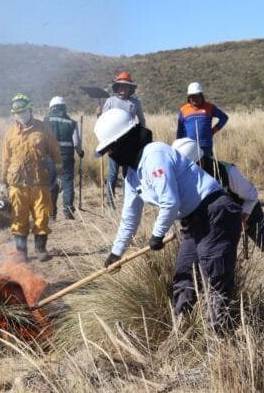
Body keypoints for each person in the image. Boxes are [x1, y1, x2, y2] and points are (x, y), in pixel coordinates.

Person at [95, 109, 242, 331]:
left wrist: (157, 235)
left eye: (112, 147)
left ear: (126, 140)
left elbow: (169, 202)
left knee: (215, 277)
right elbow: (129, 217)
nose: (112, 154)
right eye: (108, 150)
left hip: (215, 213)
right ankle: (181, 334)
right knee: (183, 276)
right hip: (191, 221)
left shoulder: (155, 155)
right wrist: (117, 252)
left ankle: (220, 342)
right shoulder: (133, 174)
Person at [171, 138, 264, 296]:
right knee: (210, 260)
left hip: (249, 214)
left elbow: (251, 194)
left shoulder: (226, 171)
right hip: (216, 220)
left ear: (200, 160)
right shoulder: (185, 177)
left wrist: (243, 216)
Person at [1, 94, 62, 262]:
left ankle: (41, 249)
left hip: (40, 182)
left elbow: (55, 153)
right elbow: (5, 160)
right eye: (17, 112)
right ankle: (21, 253)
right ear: (13, 114)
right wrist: (2, 183)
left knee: (41, 217)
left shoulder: (43, 128)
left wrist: (59, 175)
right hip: (17, 184)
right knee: (19, 218)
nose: (20, 115)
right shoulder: (9, 134)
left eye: (23, 111)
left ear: (30, 110)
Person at [97, 72, 146, 208]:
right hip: (113, 144)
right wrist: (98, 115)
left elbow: (141, 120)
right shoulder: (110, 101)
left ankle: (127, 201)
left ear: (130, 88)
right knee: (112, 173)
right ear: (117, 87)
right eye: (121, 86)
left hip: (129, 144)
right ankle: (109, 202)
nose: (123, 89)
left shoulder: (135, 102)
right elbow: (103, 121)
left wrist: (141, 137)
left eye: (126, 87)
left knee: (127, 174)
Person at [44, 96, 84, 220]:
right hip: (67, 157)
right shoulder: (72, 122)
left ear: (51, 107)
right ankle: (68, 211)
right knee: (67, 183)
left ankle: (51, 213)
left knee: (51, 183)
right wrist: (80, 152)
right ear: (64, 108)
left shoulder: (46, 121)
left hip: (50, 157)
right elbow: (76, 143)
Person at [176, 82, 228, 160]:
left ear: (201, 96)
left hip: (205, 146)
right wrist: (178, 146)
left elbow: (224, 118)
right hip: (189, 147)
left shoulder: (209, 107)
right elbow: (180, 130)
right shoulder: (183, 110)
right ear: (188, 97)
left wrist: (213, 131)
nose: (194, 99)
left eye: (196, 96)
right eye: (192, 96)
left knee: (207, 169)